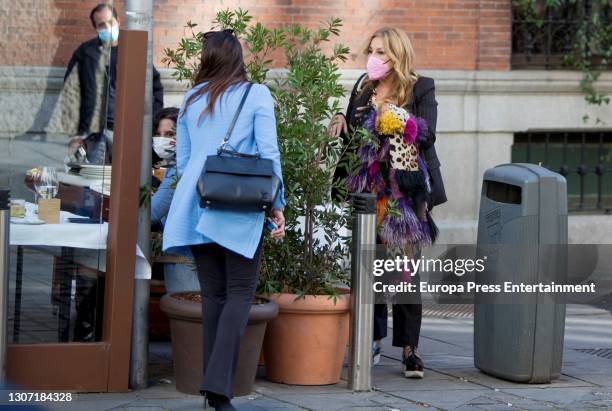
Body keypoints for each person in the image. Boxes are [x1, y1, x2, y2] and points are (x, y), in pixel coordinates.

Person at [162, 29, 286, 410]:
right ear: (238, 58)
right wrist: (277, 203)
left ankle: (213, 391)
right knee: (239, 295)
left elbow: (183, 162)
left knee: (215, 295)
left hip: (196, 205)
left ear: (207, 59)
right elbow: (268, 154)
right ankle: (217, 386)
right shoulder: (256, 94)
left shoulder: (191, 98)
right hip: (239, 207)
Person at [330, 27, 447, 379]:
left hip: (405, 194)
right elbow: (355, 135)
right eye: (371, 50)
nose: (373, 57)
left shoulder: (420, 86)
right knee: (372, 267)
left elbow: (427, 135)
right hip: (369, 189)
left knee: (405, 272)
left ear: (396, 55)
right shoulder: (363, 86)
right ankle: (373, 339)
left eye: (380, 51)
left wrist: (397, 115)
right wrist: (341, 120)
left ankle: (410, 348)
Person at [63, 3, 164, 163]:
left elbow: (154, 86)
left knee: (126, 177)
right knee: (92, 180)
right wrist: (76, 134)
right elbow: (70, 93)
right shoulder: (85, 53)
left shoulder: (132, 49)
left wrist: (153, 123)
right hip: (94, 133)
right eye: (101, 25)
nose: (107, 27)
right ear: (95, 27)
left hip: (129, 130)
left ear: (118, 21)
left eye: (110, 22)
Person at [150, 107, 200, 294]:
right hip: (192, 253)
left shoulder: (180, 166)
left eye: (169, 134)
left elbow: (153, 212)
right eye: (158, 134)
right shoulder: (188, 162)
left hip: (183, 256)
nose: (162, 139)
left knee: (187, 312)